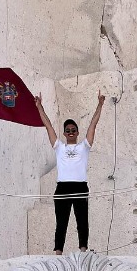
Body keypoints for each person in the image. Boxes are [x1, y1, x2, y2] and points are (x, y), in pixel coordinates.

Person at [34, 91, 105, 254]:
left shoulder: (84, 146)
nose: (71, 132)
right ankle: (58, 252)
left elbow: (93, 125)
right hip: (63, 187)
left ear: (77, 132)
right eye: (68, 130)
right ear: (65, 133)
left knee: (82, 220)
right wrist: (39, 107)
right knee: (61, 222)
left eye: (73, 129)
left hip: (80, 186)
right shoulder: (59, 147)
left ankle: (83, 250)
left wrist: (100, 105)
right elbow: (48, 126)